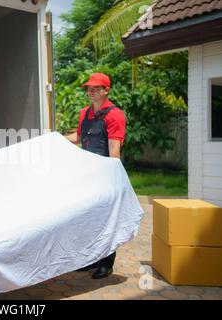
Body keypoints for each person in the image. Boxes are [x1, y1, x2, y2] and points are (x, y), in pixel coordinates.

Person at [66, 73, 126, 279]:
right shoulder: (85, 113)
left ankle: (106, 263)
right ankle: (90, 260)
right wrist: (56, 139)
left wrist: (113, 180)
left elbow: (114, 150)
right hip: (87, 174)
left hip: (105, 175)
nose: (90, 92)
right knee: (88, 218)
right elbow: (79, 137)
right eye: (89, 88)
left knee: (105, 219)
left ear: (106, 90)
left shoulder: (115, 115)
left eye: (96, 88)